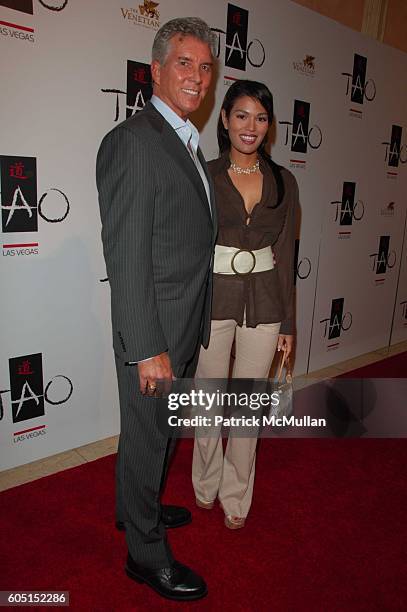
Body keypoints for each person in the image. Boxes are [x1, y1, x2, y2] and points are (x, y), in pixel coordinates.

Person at [96, 17, 217, 601]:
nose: (198, 76)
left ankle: (133, 509)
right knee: (149, 438)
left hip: (182, 321)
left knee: (157, 435)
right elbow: (127, 255)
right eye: (185, 63)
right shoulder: (136, 140)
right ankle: (145, 557)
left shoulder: (186, 142)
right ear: (156, 72)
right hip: (155, 332)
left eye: (206, 66)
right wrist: (147, 347)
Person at [192, 80, 298, 529]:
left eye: (260, 117)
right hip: (211, 300)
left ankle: (237, 496)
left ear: (269, 125)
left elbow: (288, 253)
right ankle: (205, 484)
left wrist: (289, 322)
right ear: (225, 119)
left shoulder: (284, 181)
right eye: (241, 115)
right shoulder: (205, 174)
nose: (250, 126)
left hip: (267, 304)